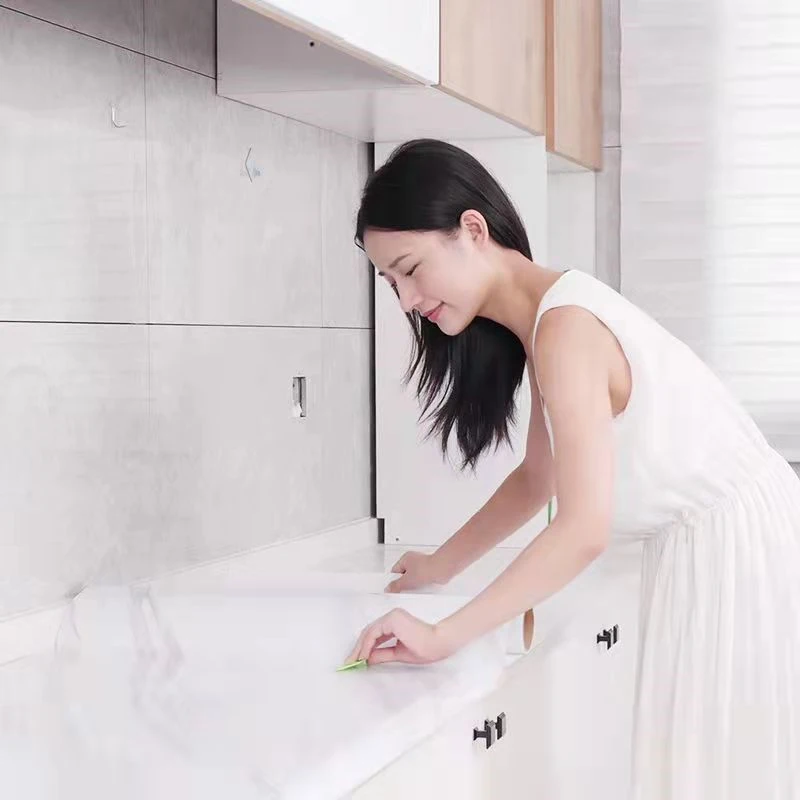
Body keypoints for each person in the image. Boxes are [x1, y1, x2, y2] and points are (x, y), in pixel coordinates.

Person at [342, 139, 800, 798]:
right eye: (392, 283)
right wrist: (442, 565)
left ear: (472, 229)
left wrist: (443, 635)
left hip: (739, 552)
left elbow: (584, 528)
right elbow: (539, 477)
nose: (407, 300)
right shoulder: (548, 319)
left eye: (410, 269)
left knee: (716, 772)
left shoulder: (565, 328)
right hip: (722, 542)